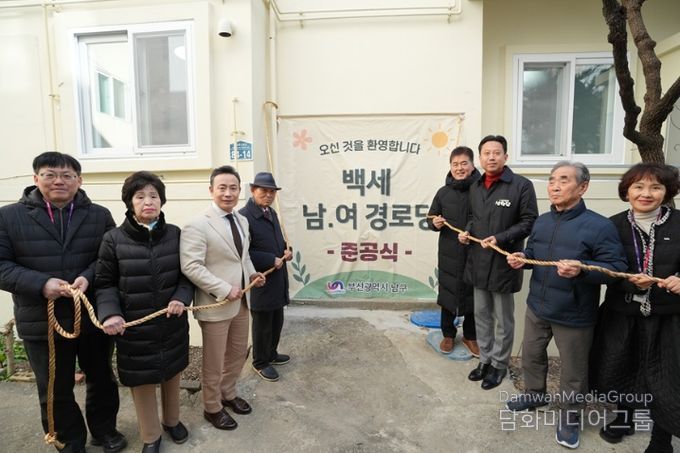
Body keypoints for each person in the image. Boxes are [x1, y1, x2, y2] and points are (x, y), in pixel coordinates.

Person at [0, 152, 125, 453]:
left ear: (79, 180)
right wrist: (41, 284)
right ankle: (69, 439)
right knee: (54, 386)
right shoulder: (8, 217)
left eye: (67, 175)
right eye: (50, 174)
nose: (59, 181)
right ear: (36, 179)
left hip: (91, 314)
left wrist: (88, 277)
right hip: (41, 318)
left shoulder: (99, 215)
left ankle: (104, 430)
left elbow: (110, 258)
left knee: (102, 378)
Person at [505, 161, 627, 449]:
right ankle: (535, 394)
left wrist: (582, 270)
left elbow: (617, 269)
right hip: (538, 306)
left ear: (583, 187)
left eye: (563, 180)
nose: (555, 186)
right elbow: (533, 253)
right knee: (532, 355)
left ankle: (570, 416)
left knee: (573, 371)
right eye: (551, 180)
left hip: (574, 313)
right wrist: (522, 259)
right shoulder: (543, 221)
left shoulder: (600, 226)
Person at [96, 171, 193, 453]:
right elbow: (104, 283)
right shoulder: (113, 239)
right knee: (142, 382)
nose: (148, 201)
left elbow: (186, 276)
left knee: (173, 373)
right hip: (134, 327)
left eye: (153, 196)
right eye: (140, 197)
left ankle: (172, 420)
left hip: (172, 322)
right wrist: (110, 314)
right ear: (130, 203)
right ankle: (151, 435)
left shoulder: (175, 234)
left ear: (162, 201)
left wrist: (181, 297)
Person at [590, 163, 680, 453]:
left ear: (667, 192)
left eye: (656, 187)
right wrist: (629, 283)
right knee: (622, 367)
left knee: (666, 379)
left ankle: (661, 439)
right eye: (638, 186)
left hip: (668, 317)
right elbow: (602, 267)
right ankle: (623, 418)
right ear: (626, 191)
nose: (646, 193)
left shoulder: (679, 223)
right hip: (623, 313)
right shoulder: (611, 226)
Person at [180, 165, 265, 431]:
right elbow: (191, 266)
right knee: (214, 360)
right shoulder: (197, 224)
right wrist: (224, 289)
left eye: (233, 188)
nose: (228, 193)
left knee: (238, 353)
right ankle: (212, 407)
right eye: (222, 188)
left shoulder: (241, 220)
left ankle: (228, 393)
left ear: (240, 191)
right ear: (211, 190)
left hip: (242, 301)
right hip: (215, 303)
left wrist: (252, 275)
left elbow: (244, 258)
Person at [458, 134, 538, 390]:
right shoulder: (475, 186)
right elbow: (474, 217)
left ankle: (499, 365)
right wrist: (467, 231)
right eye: (486, 153)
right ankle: (485, 360)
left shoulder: (521, 185)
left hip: (504, 263)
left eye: (496, 152)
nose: (491, 157)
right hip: (478, 261)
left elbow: (529, 221)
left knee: (503, 319)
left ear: (506, 156)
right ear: (480, 158)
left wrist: (501, 238)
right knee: (481, 315)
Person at [427, 146, 481, 356]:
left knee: (473, 295)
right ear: (450, 166)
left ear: (472, 165)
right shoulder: (443, 192)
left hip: (474, 250)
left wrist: (469, 231)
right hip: (449, 252)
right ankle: (448, 334)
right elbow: (431, 217)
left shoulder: (481, 190)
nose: (459, 168)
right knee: (448, 293)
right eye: (455, 164)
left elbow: (485, 218)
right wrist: (435, 223)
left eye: (464, 163)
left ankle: (470, 336)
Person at [239, 172, 292, 382]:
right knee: (262, 324)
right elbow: (242, 253)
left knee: (277, 320)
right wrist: (271, 259)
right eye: (264, 190)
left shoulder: (271, 213)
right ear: (253, 190)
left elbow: (278, 241)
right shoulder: (244, 217)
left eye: (272, 191)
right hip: (260, 279)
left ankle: (271, 354)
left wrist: (287, 251)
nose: (268, 195)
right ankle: (260, 362)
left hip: (277, 278)